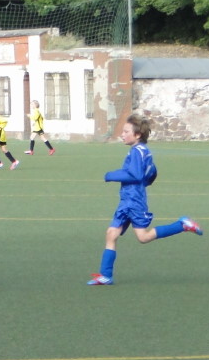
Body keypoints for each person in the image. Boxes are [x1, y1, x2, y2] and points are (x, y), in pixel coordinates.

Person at [87, 114, 203, 286]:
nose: (122, 134)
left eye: (126, 132)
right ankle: (105, 275)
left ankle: (182, 225)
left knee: (143, 237)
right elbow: (152, 172)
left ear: (137, 135)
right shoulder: (142, 150)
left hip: (134, 201)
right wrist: (143, 183)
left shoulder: (137, 151)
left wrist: (111, 175)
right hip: (128, 199)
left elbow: (136, 175)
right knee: (111, 233)